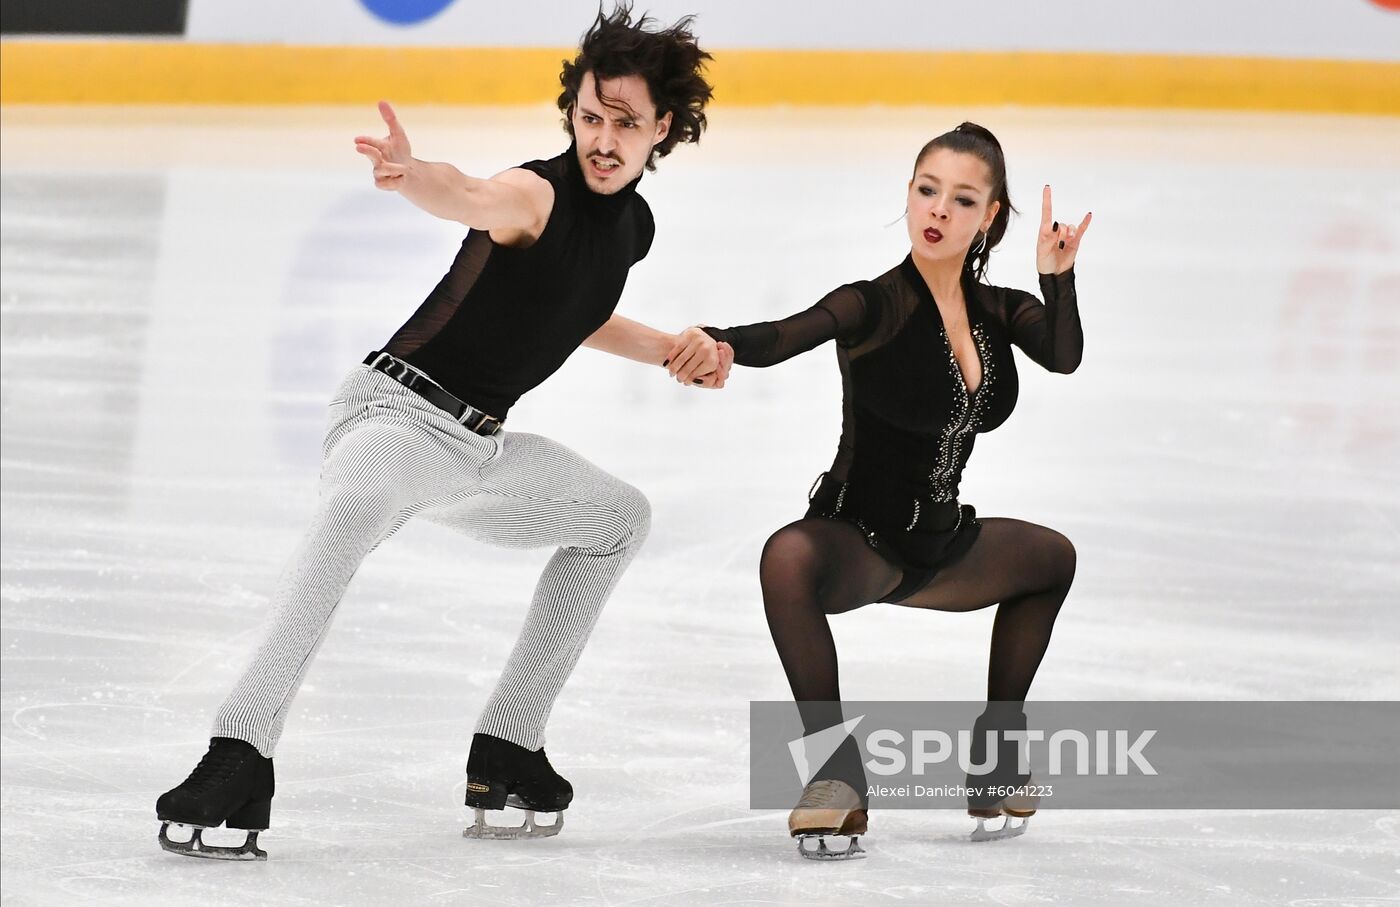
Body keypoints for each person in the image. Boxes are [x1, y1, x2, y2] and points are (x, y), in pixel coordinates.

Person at [155, 4, 733, 860]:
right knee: (350, 516)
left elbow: (574, 309)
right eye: (590, 117)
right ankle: (239, 747)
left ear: (665, 131)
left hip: (478, 450)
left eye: (626, 123)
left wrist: (671, 351)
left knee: (618, 519)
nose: (603, 139)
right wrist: (412, 172)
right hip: (396, 414)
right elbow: (469, 193)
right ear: (571, 113)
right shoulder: (536, 191)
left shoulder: (631, 227)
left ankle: (509, 743)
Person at [670, 122, 1089, 857]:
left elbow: (1063, 354)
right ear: (908, 193)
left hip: (943, 542)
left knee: (1052, 558)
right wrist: (717, 338)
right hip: (859, 541)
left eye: (962, 199)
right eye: (927, 190)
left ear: (989, 216)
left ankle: (996, 759)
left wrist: (1058, 275)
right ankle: (835, 777)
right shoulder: (873, 303)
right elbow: (782, 334)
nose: (937, 210)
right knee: (785, 557)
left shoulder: (998, 310)